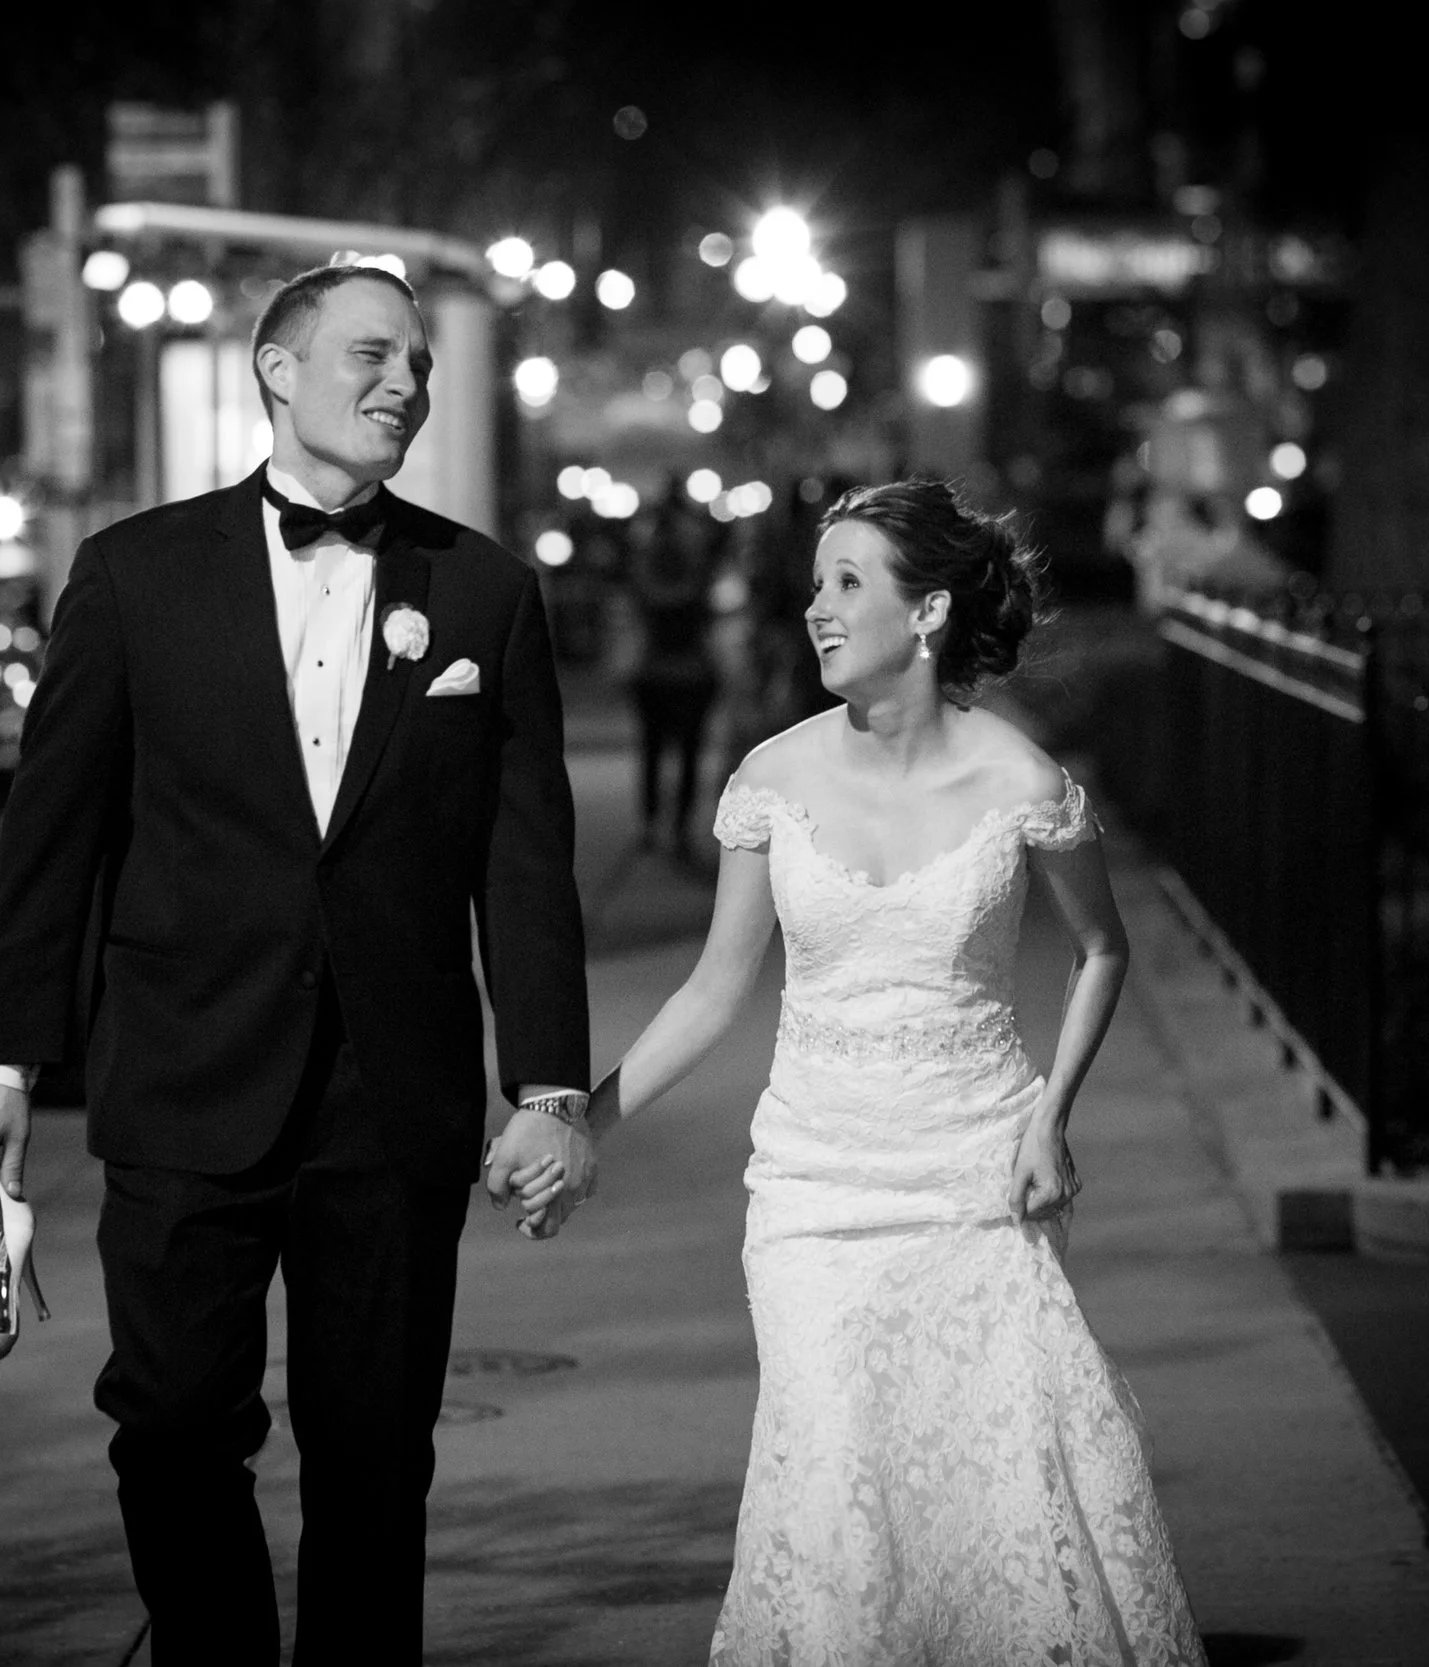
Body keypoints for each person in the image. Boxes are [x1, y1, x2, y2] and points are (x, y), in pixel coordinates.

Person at [0, 264, 593, 1666]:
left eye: (417, 363)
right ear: (277, 371)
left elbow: (524, 866)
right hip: (183, 1071)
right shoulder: (134, 574)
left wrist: (547, 1085)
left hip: (391, 1090)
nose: (403, 384)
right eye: (370, 354)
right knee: (172, 1423)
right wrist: (3, 1058)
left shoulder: (484, 591)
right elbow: (52, 836)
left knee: (373, 1453)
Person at [506, 478, 1206, 1663]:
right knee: (833, 1463)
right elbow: (713, 990)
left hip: (976, 1174)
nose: (815, 610)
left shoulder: (1022, 784)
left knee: (991, 1468)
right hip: (814, 1185)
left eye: (846, 584)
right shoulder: (773, 778)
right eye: (814, 585)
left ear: (926, 611)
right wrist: (583, 1120)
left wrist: (1051, 1122)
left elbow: (1101, 950)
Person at [627, 480, 722, 856]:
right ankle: (679, 828)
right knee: (687, 752)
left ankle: (651, 825)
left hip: (653, 669)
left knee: (651, 750)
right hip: (692, 670)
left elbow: (639, 604)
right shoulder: (697, 569)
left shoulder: (646, 564)